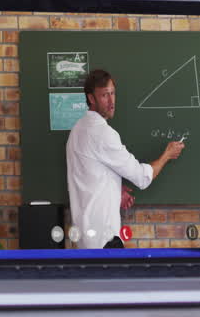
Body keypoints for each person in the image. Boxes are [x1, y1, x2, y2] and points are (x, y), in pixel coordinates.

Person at [65, 69, 185, 249]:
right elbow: (142, 177)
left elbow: (88, 175)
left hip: (85, 237)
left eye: (113, 93)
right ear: (91, 98)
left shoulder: (77, 130)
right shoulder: (103, 133)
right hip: (104, 239)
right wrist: (167, 155)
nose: (111, 101)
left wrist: (115, 189)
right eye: (105, 95)